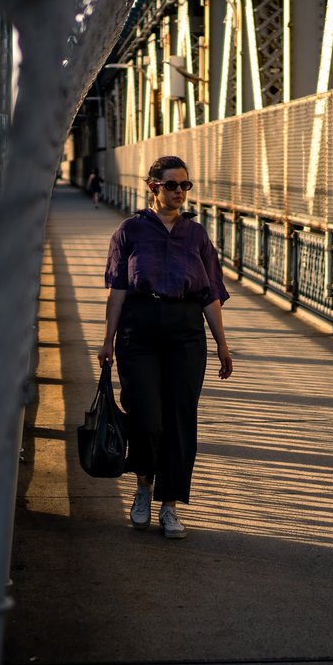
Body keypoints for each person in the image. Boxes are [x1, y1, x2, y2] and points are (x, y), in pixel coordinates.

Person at [98, 155, 233, 540]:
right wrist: (107, 340)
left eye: (185, 186)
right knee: (145, 415)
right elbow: (118, 289)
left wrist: (223, 345)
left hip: (185, 334)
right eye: (172, 185)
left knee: (179, 420)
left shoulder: (197, 235)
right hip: (138, 332)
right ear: (152, 187)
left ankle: (170, 504)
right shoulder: (130, 231)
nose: (179, 193)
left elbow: (210, 294)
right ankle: (142, 488)